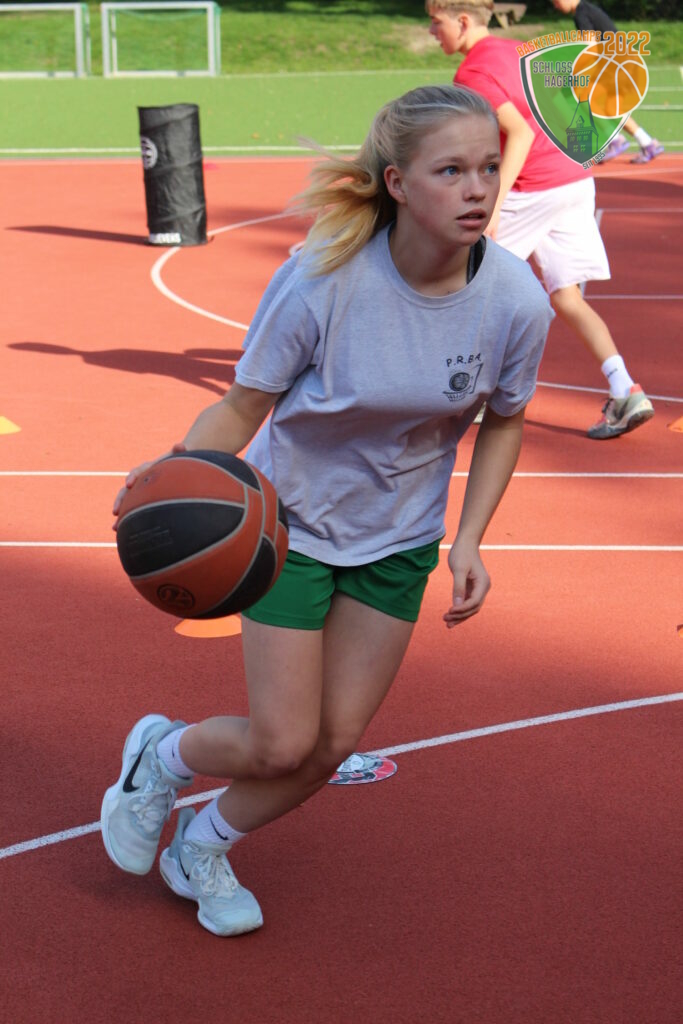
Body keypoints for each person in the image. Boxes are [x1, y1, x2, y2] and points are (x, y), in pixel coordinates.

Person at [101, 83, 553, 938]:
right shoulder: (324, 278)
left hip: (399, 540)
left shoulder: (514, 303)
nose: (477, 189)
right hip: (289, 530)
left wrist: (469, 539)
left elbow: (506, 419)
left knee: (330, 746)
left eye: (488, 169)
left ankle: (200, 846)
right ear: (397, 183)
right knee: (281, 743)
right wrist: (173, 469)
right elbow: (244, 404)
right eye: (450, 171)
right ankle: (162, 754)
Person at [427, 0, 655, 440]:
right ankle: (625, 389)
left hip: (534, 188)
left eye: (436, 22)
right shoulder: (522, 50)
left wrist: (493, 207)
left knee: (464, 286)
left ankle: (473, 392)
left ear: (462, 21)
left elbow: (522, 133)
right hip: (575, 180)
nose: (432, 31)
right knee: (567, 297)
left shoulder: (472, 73)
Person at [550, 0, 665, 163]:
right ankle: (646, 143)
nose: (555, 6)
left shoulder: (582, 14)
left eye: (555, 1)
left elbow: (591, 48)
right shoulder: (586, 10)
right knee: (608, 107)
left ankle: (616, 140)